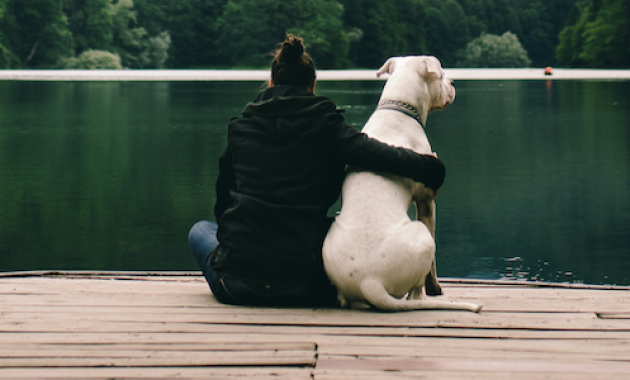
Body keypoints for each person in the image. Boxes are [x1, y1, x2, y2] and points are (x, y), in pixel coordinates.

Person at [188, 35, 448, 307]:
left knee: (200, 230)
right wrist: (430, 167)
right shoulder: (328, 127)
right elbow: (378, 154)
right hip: (307, 283)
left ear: (272, 83)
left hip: (237, 285)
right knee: (334, 229)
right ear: (312, 84)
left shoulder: (240, 129)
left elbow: (222, 203)